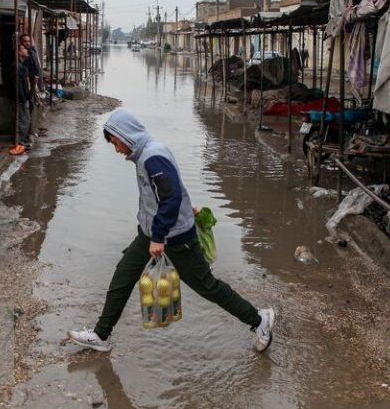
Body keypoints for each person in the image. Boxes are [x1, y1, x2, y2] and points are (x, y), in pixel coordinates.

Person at [68, 109, 276, 353]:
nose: (116, 149)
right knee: (123, 276)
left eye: (116, 142)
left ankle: (259, 320)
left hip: (175, 239)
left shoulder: (152, 157)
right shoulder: (148, 153)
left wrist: (158, 237)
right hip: (150, 234)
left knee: (207, 286)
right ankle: (101, 335)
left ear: (126, 135)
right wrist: (175, 217)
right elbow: (171, 189)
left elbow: (171, 197)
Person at [19, 34, 42, 145]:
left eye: (29, 41)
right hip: (28, 85)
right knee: (26, 113)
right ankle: (25, 137)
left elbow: (37, 68)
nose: (27, 43)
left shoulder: (32, 52)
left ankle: (29, 133)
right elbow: (24, 76)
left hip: (32, 84)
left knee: (30, 109)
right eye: (25, 41)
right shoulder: (22, 60)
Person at [10, 45, 32, 155]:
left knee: (25, 119)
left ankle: (22, 141)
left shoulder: (22, 64)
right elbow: (18, 84)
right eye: (24, 49)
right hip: (22, 98)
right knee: (24, 120)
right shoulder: (17, 66)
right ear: (19, 52)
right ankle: (20, 142)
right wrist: (23, 98)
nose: (26, 50)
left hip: (25, 97)